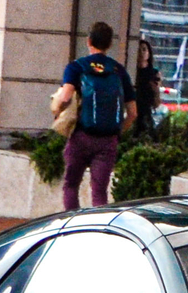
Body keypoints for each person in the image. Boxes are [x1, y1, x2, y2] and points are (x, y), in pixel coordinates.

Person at [53, 20, 136, 210]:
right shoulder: (118, 70)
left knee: (71, 185)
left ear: (88, 41)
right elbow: (133, 113)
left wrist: (57, 114)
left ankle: (72, 227)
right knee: (99, 191)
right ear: (109, 44)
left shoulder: (77, 67)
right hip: (108, 140)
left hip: (81, 135)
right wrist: (117, 133)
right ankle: (97, 231)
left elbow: (65, 97)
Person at [130, 35, 162, 139]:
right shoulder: (131, 72)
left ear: (149, 53)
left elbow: (157, 98)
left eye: (144, 49)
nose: (141, 52)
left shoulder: (154, 73)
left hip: (147, 110)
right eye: (139, 50)